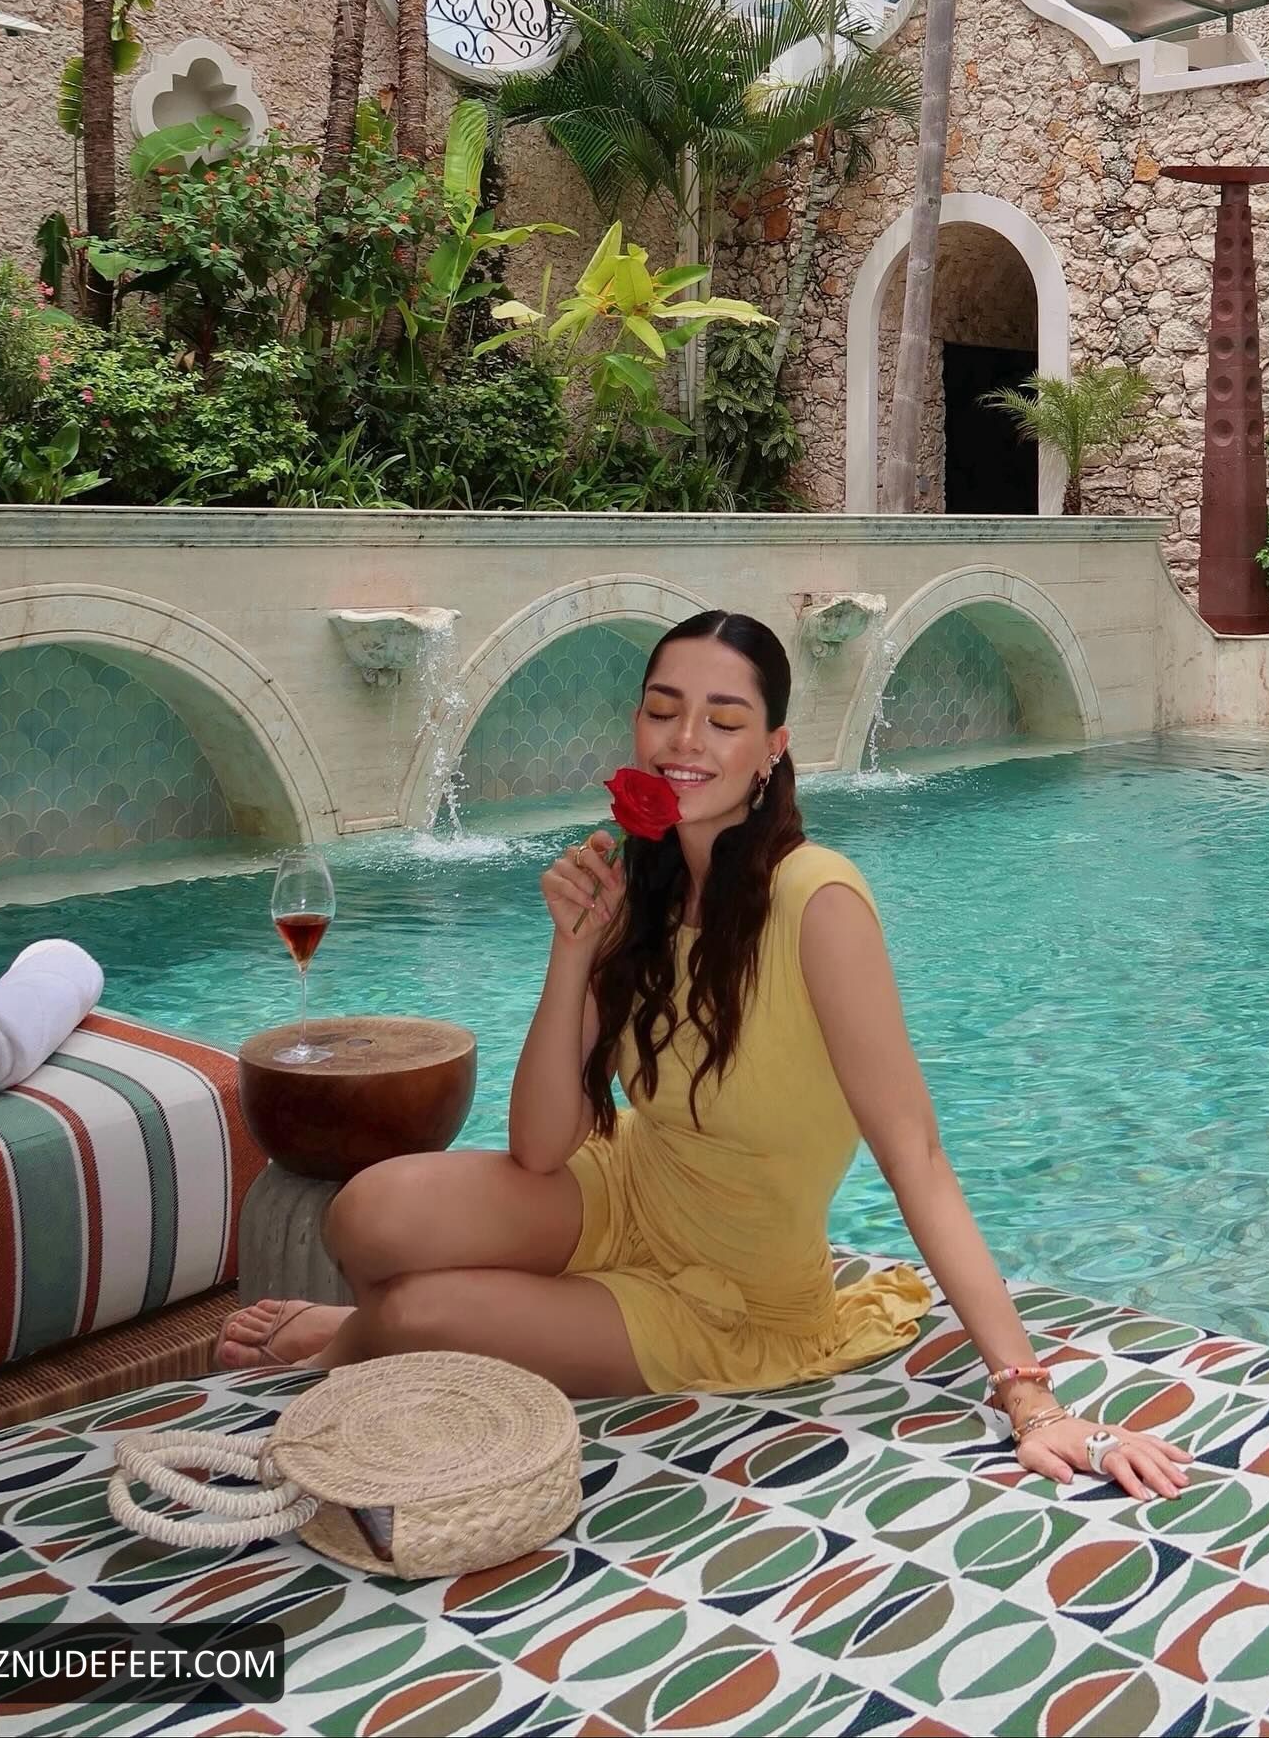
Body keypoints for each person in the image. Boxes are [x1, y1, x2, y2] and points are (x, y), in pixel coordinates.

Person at [218, 610, 1190, 1497]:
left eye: (725, 720)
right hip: (629, 1184)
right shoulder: (636, 885)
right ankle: (416, 1323)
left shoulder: (818, 900)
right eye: (663, 710)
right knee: (367, 1214)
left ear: (772, 750)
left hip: (736, 1290)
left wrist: (1031, 1397)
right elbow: (541, 1146)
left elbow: (917, 1156)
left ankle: (352, 1337)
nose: (685, 739)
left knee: (412, 1318)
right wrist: (573, 949)